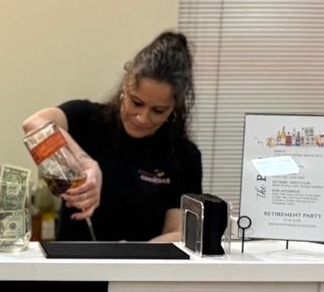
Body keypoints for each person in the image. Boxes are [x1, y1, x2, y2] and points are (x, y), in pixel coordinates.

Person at [22, 31, 202, 242]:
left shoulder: (184, 155)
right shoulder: (88, 120)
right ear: (126, 85)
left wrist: (133, 254)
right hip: (73, 269)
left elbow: (179, 233)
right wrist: (87, 163)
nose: (142, 118)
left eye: (158, 110)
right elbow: (33, 125)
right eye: (137, 102)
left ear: (174, 108)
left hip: (136, 272)